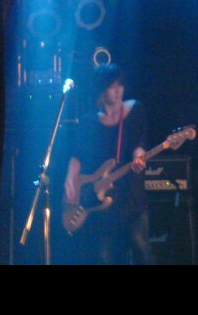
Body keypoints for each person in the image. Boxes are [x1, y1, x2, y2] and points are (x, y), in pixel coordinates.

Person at [63, 62, 156, 265]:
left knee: (141, 245)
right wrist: (70, 179)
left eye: (120, 85)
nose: (118, 90)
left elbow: (140, 142)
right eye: (112, 86)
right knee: (104, 254)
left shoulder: (135, 110)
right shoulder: (89, 121)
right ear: (101, 89)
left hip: (130, 193)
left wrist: (139, 154)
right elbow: (78, 154)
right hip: (101, 196)